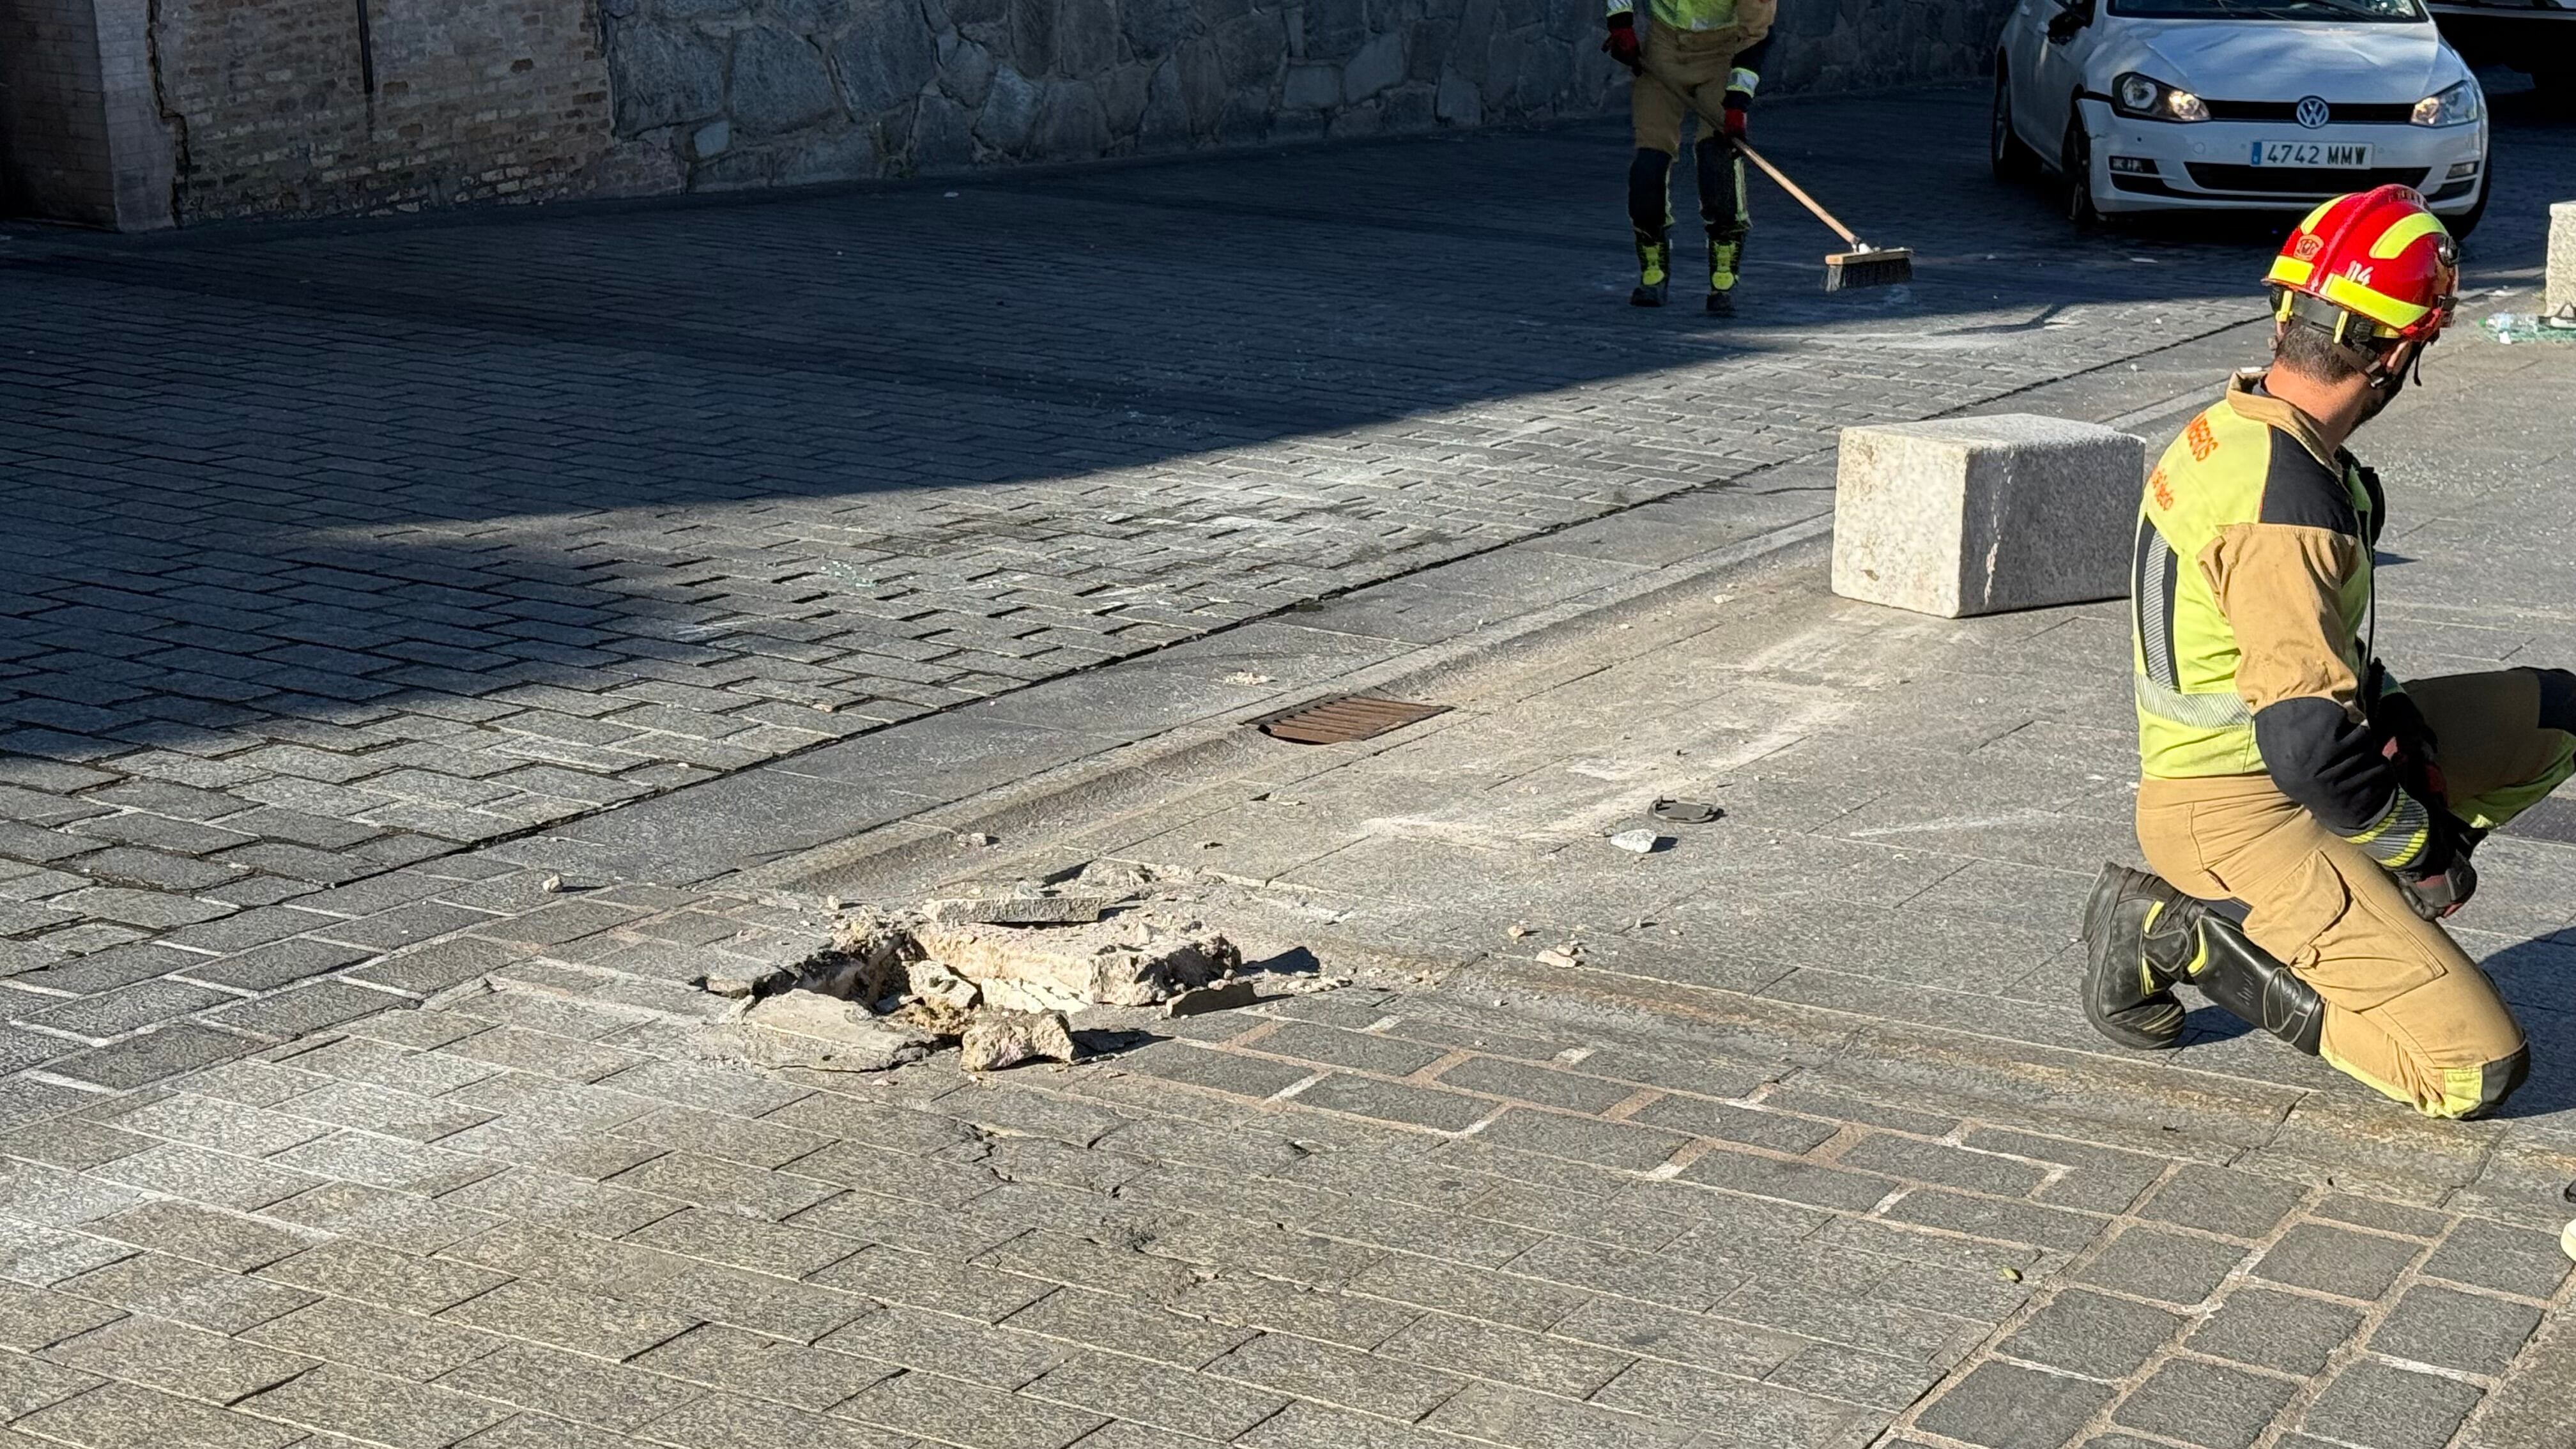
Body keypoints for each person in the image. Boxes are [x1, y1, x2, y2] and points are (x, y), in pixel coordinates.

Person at [2083, 185, 2574, 1121]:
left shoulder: (2247, 426)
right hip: (2232, 815)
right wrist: (2422, 846)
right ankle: (2176, 933)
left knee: (2557, 714)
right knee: (2475, 1072)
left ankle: (2359, 908)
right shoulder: (2287, 502)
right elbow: (2306, 745)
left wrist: (2398, 732)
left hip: (2287, 766)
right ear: (2396, 351)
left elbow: (2310, 670)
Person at [1602, 0, 1775, 314]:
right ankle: (1653, 272)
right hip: (1664, 50)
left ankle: (1723, 276)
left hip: (1723, 54)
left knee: (1717, 161)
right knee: (1647, 170)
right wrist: (1621, 24)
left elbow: (1756, 36)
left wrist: (1736, 103)